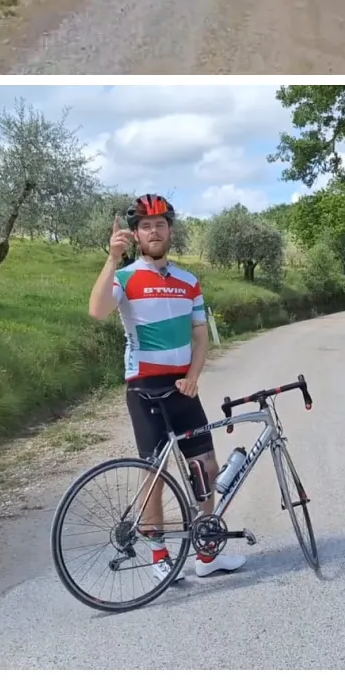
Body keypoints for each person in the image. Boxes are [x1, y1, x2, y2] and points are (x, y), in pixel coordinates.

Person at [88, 194, 245, 583]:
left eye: (160, 225)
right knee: (153, 473)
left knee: (205, 466)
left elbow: (199, 334)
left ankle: (206, 555)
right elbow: (97, 311)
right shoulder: (126, 278)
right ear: (136, 234)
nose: (154, 231)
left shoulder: (189, 280)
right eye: (145, 226)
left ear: (170, 230)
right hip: (144, 388)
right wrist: (112, 259)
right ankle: (159, 555)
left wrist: (194, 375)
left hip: (183, 386)